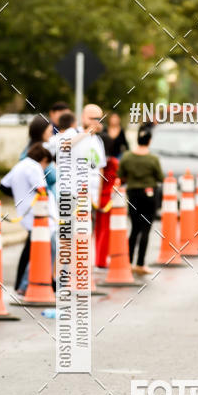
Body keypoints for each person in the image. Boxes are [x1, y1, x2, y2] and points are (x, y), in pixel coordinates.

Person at [0, 143, 57, 294]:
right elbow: (42, 190)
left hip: (25, 213)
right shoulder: (34, 167)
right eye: (46, 165)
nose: (45, 169)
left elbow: (3, 185)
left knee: (32, 249)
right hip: (39, 216)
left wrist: (20, 196)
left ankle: (27, 283)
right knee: (46, 249)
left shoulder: (20, 165)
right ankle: (32, 283)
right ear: (43, 159)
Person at [118, 126, 164, 274]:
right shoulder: (153, 159)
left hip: (133, 194)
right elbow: (160, 177)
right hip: (149, 194)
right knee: (145, 229)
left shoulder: (127, 157)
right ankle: (140, 263)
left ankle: (128, 261)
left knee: (134, 229)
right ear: (149, 141)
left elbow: (121, 174)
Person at [73, 104, 107, 213]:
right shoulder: (74, 134)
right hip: (76, 195)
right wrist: (87, 131)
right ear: (83, 117)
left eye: (99, 119)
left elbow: (100, 169)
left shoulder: (99, 140)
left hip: (93, 197)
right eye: (93, 118)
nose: (96, 122)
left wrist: (98, 196)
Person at [95, 135, 119, 268]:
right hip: (109, 199)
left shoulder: (96, 161)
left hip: (97, 198)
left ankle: (99, 258)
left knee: (99, 230)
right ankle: (101, 260)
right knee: (105, 231)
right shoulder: (113, 163)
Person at [19, 115, 56, 196]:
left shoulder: (29, 149)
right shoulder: (39, 152)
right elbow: (52, 177)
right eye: (50, 131)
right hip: (41, 199)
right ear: (42, 131)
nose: (52, 134)